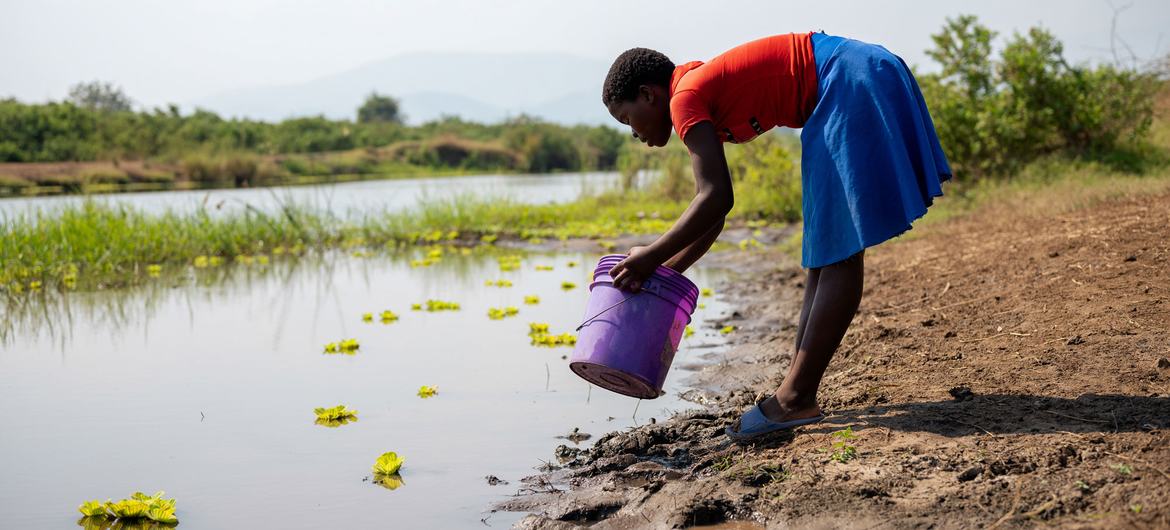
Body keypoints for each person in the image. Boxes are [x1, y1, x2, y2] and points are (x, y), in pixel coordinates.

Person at [602, 31, 951, 442]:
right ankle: (795, 390)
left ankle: (796, 398)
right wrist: (664, 270)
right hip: (849, 76)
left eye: (627, 120)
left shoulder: (684, 98)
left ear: (648, 95)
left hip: (844, 79)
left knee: (838, 251)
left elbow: (714, 197)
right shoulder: (693, 90)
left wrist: (648, 257)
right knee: (824, 250)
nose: (635, 134)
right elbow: (714, 213)